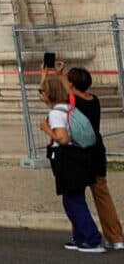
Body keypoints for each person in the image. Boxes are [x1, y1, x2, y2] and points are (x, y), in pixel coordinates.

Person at [42, 72, 106, 253]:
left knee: (74, 200)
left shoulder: (55, 114)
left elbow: (62, 138)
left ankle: (92, 239)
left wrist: (47, 129)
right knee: (72, 199)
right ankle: (80, 237)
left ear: (49, 94)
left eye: (42, 92)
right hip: (80, 156)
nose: (41, 95)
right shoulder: (69, 107)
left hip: (67, 157)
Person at [66, 67, 122, 249]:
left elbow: (58, 94)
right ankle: (116, 237)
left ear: (72, 83)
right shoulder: (94, 100)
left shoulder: (71, 101)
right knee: (102, 194)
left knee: (76, 195)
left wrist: (50, 75)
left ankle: (81, 234)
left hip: (80, 152)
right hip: (97, 149)